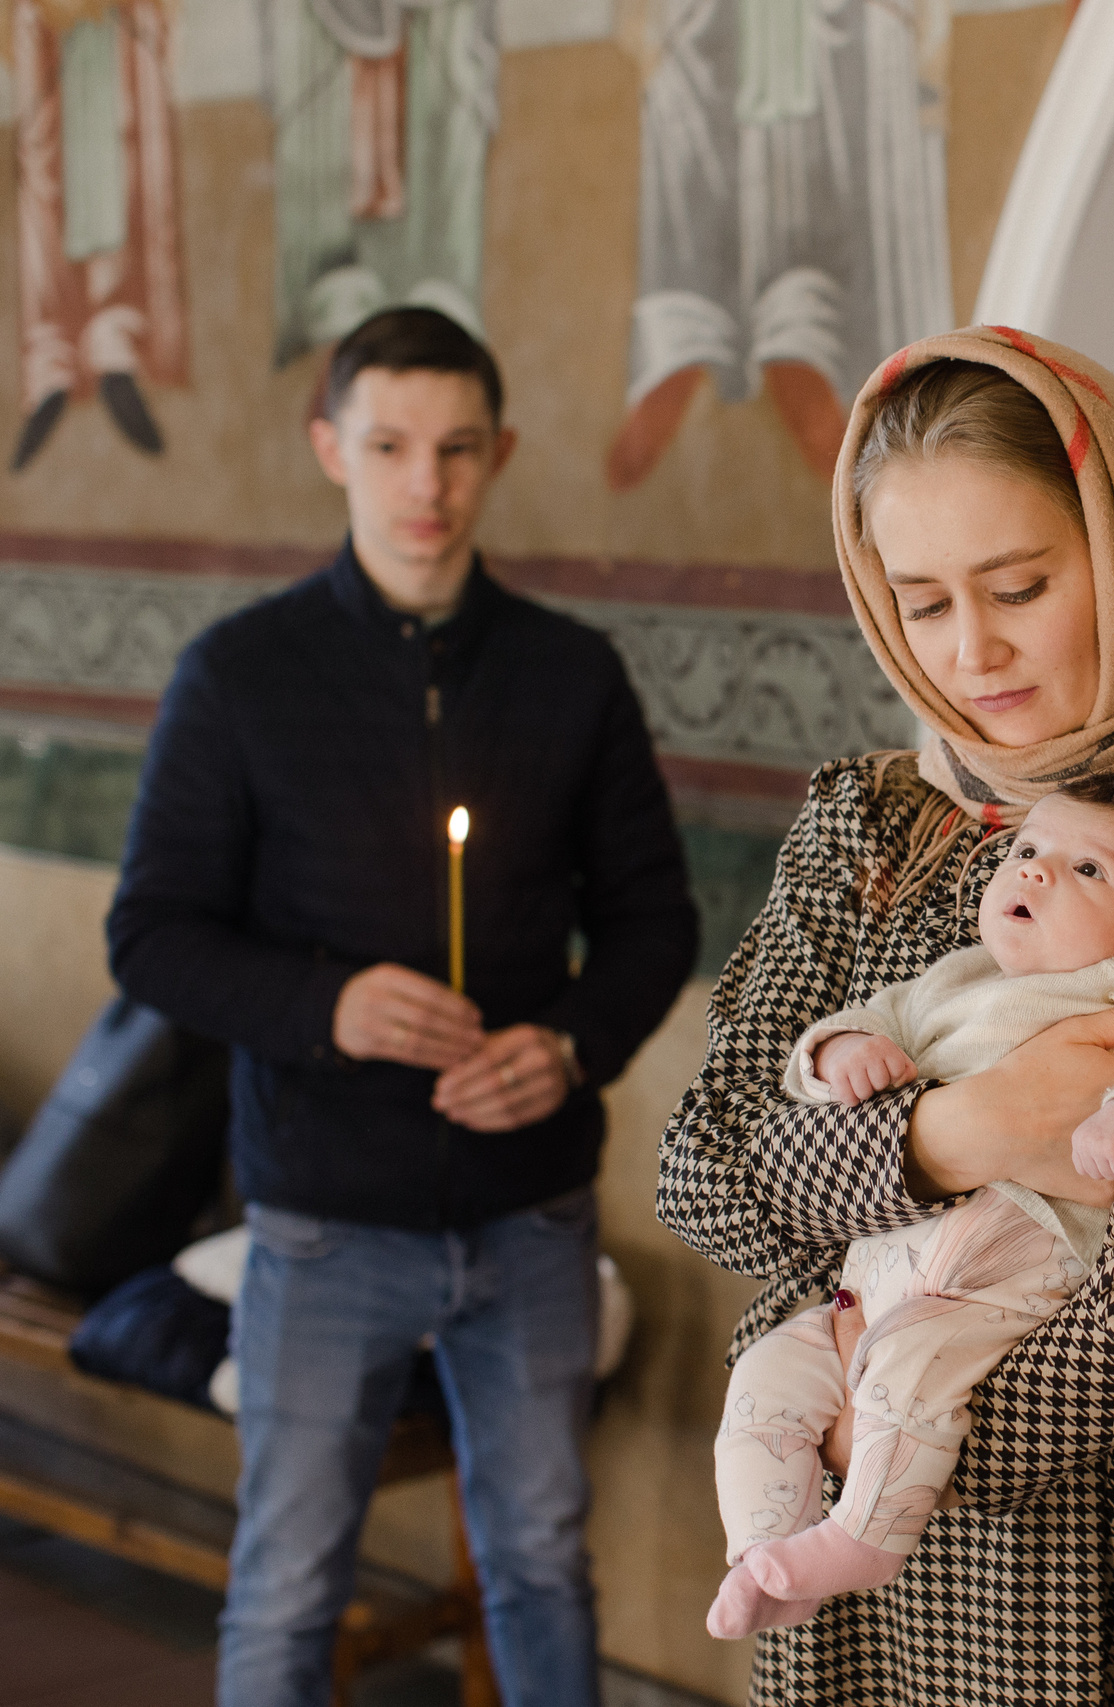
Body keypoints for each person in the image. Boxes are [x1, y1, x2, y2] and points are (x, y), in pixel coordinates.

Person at [657, 329, 1114, 1704]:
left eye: (1019, 586)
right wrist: (956, 1129)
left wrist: (907, 1430)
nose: (972, 649)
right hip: (861, 1592)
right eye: (921, 603)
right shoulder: (871, 816)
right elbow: (705, 1168)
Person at [107, 306, 699, 1707]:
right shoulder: (242, 675)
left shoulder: (570, 674)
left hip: (532, 1208)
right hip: (321, 1221)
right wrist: (331, 1006)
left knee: (543, 1557)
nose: (422, 485)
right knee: (292, 1571)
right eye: (387, 446)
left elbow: (653, 920)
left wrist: (563, 1045)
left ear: (497, 454)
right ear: (332, 449)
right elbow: (151, 935)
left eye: (453, 449)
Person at [706, 772, 1114, 1638]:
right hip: (876, 1274)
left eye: (1089, 869)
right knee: (766, 1373)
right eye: (1028, 850)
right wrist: (842, 1050)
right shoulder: (951, 980)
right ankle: (761, 1545)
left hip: (1006, 1265)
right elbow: (854, 1028)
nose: (1038, 872)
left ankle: (863, 1536)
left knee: (910, 1366)